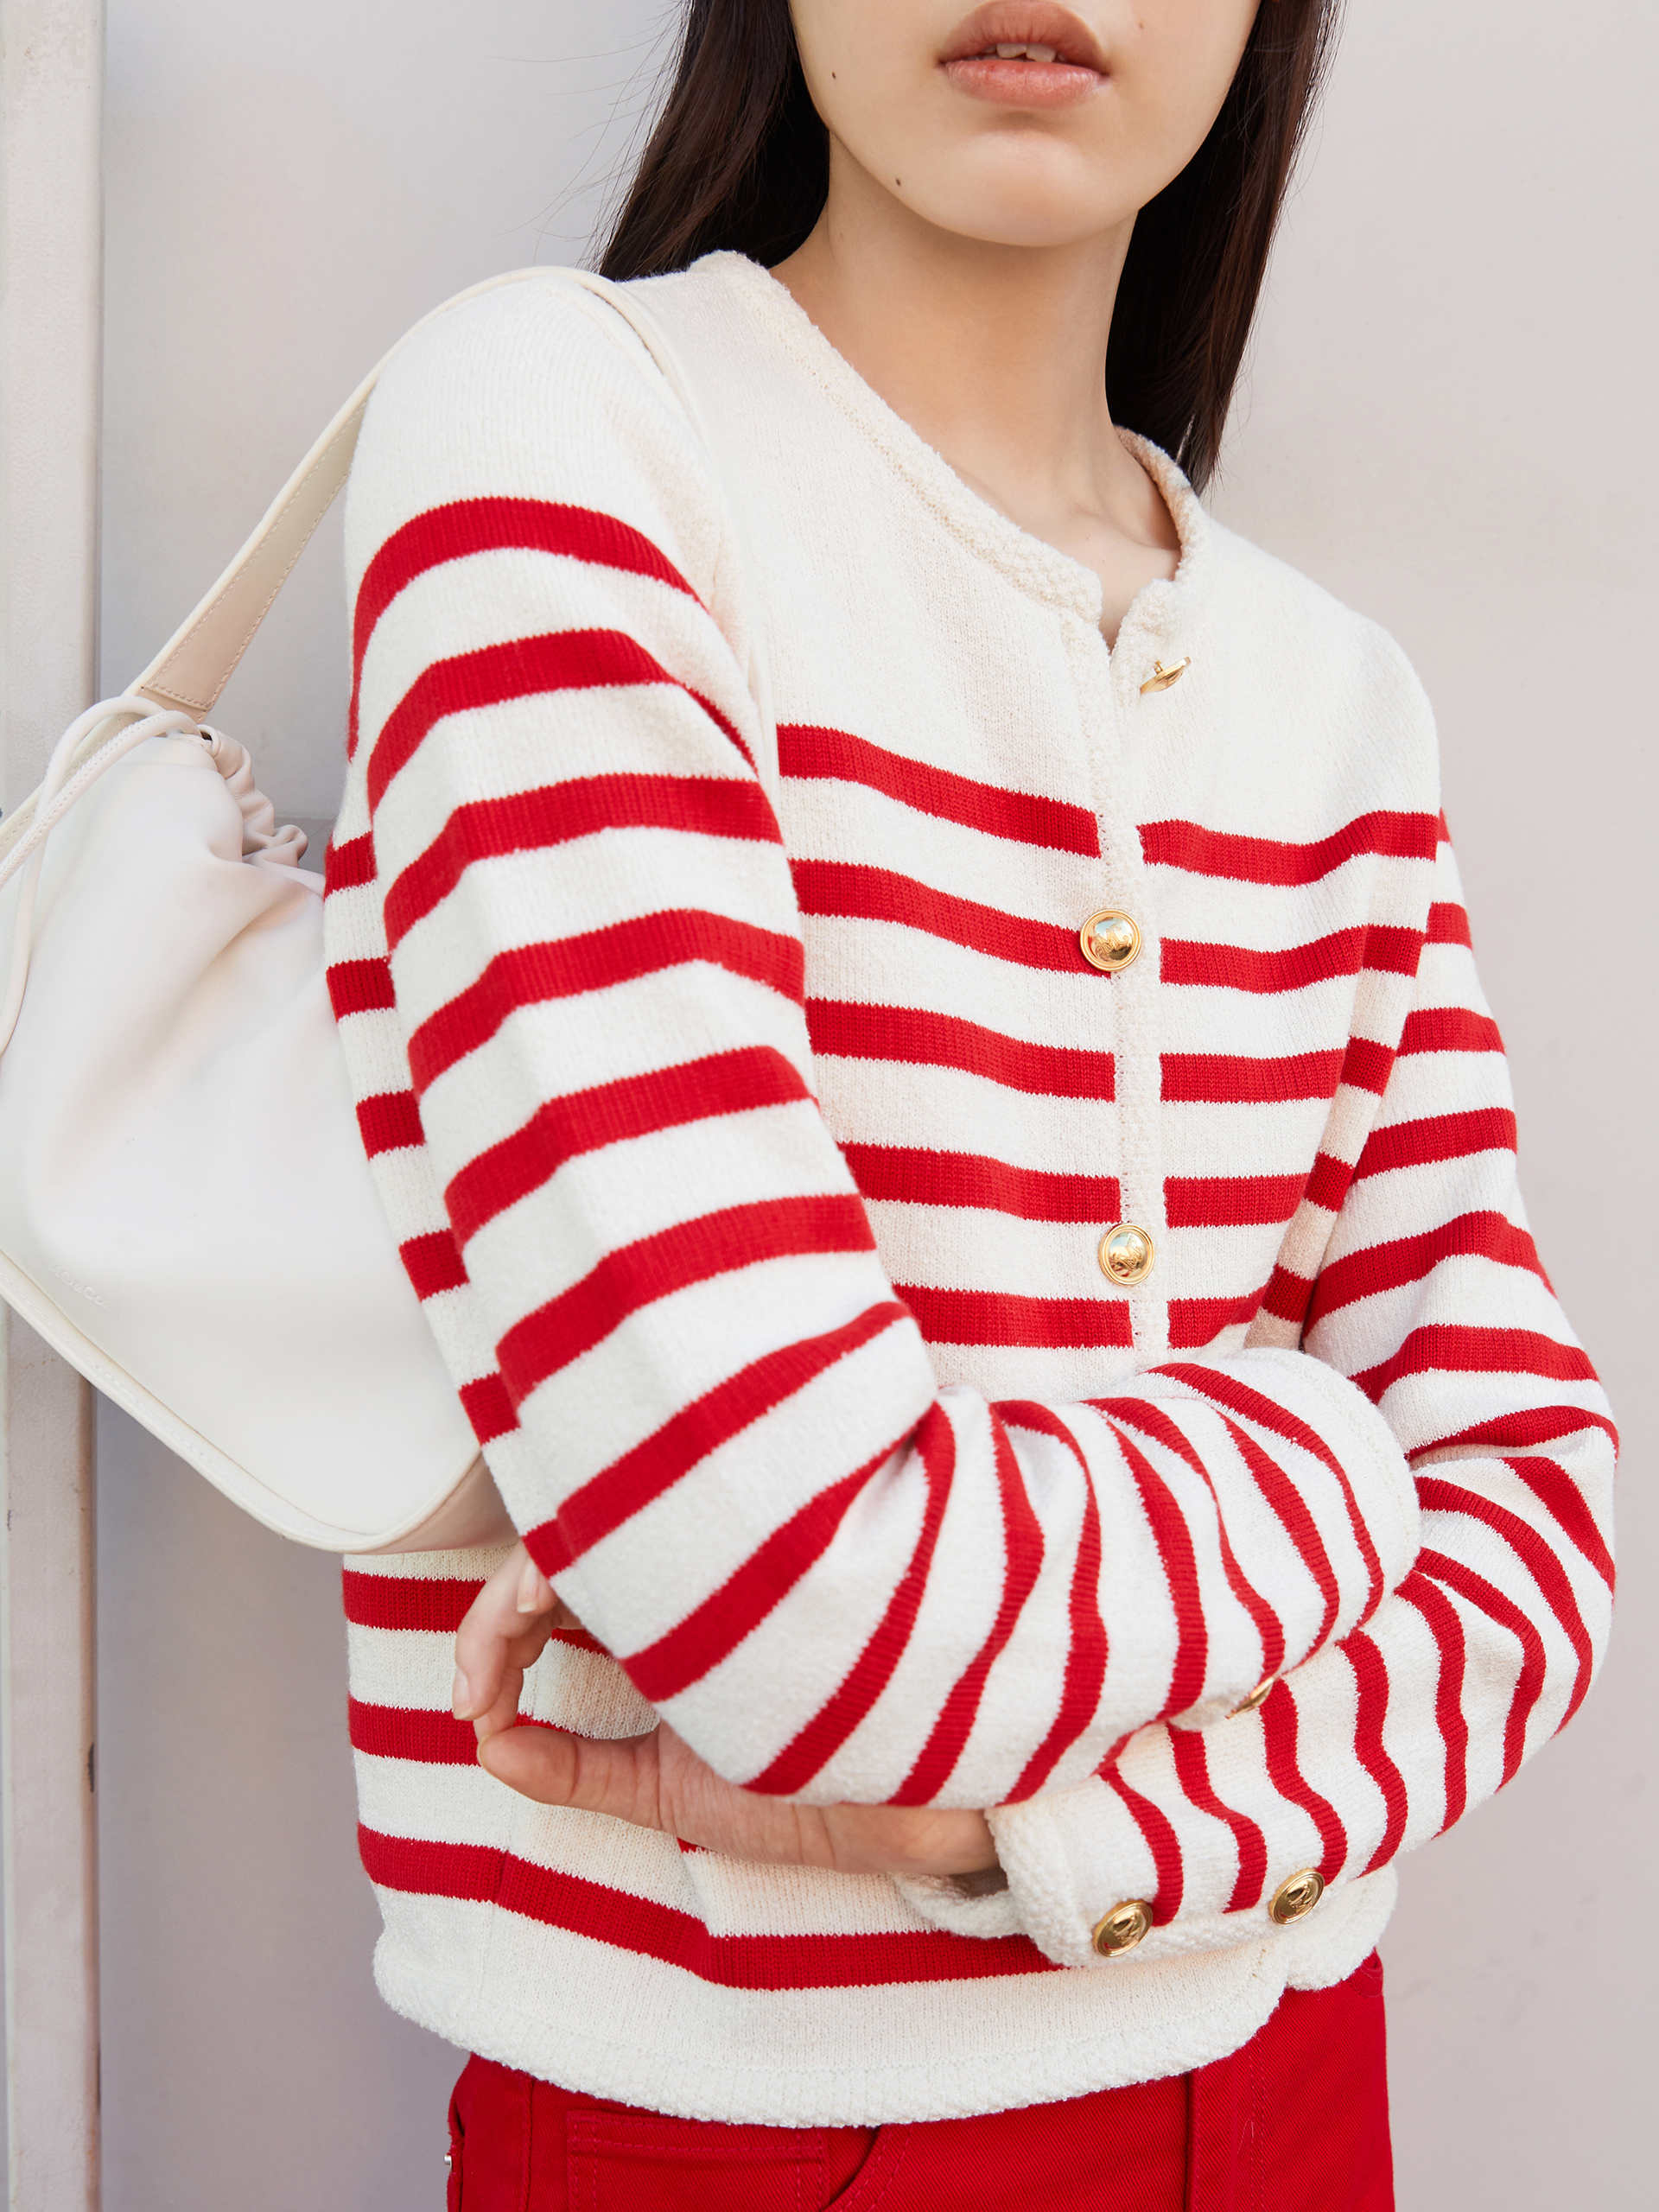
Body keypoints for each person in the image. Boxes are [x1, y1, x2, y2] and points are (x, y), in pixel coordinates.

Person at [322, 3, 1617, 2203]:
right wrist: (1320, 1448)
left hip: (1297, 2065)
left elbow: (1544, 1530)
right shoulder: (564, 435)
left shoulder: (1332, 698)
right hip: (727, 2131)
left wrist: (1067, 1827)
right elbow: (805, 1600)